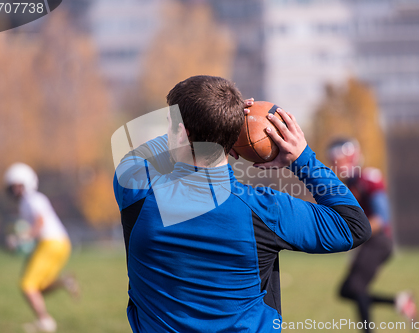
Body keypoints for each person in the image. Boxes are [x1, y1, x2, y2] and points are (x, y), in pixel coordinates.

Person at [113, 75, 371, 332]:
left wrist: (213, 126)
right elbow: (353, 225)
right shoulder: (265, 211)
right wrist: (302, 158)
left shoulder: (135, 191)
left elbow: (139, 156)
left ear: (180, 132)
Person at [327, 138, 418, 332]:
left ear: (351, 157)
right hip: (367, 242)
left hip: (378, 242)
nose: (335, 164)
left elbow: (381, 218)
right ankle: (400, 302)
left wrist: (353, 236)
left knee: (356, 288)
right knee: (347, 290)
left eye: (338, 159)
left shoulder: (368, 178)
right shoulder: (348, 184)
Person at [4, 163, 78, 333]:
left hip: (50, 243)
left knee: (27, 285)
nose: (14, 190)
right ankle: (64, 281)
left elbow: (40, 221)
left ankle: (45, 322)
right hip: (61, 243)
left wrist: (20, 238)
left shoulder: (31, 199)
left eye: (17, 186)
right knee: (39, 288)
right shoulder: (30, 200)